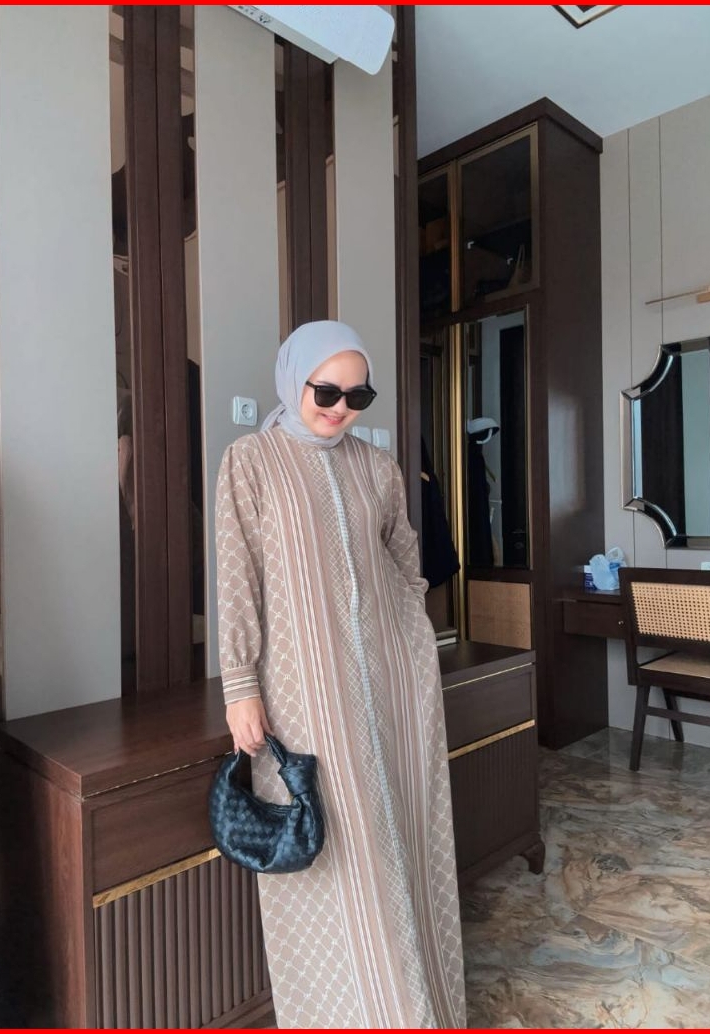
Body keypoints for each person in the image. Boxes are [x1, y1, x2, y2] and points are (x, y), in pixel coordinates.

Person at [214, 320, 466, 1028]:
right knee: (338, 845)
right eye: (326, 391)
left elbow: (405, 559)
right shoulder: (250, 462)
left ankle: (422, 1004)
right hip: (303, 687)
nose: (340, 408)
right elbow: (237, 579)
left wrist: (410, 630)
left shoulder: (376, 466)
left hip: (392, 678)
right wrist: (240, 685)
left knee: (402, 828)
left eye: (359, 396)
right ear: (293, 379)